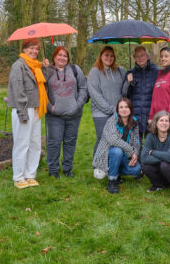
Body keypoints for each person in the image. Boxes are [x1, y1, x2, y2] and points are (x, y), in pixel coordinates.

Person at [7, 38, 49, 188]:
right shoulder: (18, 66)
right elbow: (18, 91)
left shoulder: (36, 66)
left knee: (35, 144)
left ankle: (30, 175)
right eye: (31, 48)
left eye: (36, 49)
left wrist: (45, 68)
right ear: (24, 49)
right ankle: (19, 177)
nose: (34, 51)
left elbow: (42, 84)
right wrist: (23, 113)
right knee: (22, 144)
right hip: (23, 110)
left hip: (36, 110)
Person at [45, 46, 87, 178]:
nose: (62, 58)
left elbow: (83, 88)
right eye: (59, 55)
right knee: (54, 142)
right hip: (54, 116)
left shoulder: (75, 69)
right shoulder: (47, 71)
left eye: (65, 56)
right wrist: (50, 107)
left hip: (74, 114)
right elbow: (41, 92)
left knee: (70, 141)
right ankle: (53, 169)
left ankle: (68, 168)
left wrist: (77, 105)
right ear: (54, 57)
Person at [87, 46, 126, 178]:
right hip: (101, 113)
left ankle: (112, 165)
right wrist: (110, 110)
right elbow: (95, 94)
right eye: (106, 55)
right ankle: (98, 165)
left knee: (116, 139)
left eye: (111, 55)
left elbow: (124, 91)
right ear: (101, 56)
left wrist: (129, 82)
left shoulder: (120, 71)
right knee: (103, 139)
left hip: (118, 113)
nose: (109, 58)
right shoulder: (95, 72)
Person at [92, 97, 142, 193]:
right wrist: (131, 152)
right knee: (117, 151)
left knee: (137, 169)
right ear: (117, 110)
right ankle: (112, 180)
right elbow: (113, 140)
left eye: (126, 107)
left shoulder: (134, 122)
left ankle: (116, 171)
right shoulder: (111, 121)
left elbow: (136, 141)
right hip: (108, 154)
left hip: (125, 155)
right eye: (121, 107)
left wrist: (135, 154)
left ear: (131, 109)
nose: (124, 110)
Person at [123, 46, 159, 141]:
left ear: (147, 56)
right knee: (135, 148)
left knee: (150, 148)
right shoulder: (130, 73)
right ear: (134, 58)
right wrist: (128, 83)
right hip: (135, 117)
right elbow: (123, 94)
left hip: (151, 116)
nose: (140, 58)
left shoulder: (156, 71)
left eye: (142, 55)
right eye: (137, 56)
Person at [148, 47, 170, 133]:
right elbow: (155, 98)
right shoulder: (160, 74)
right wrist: (151, 117)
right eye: (161, 56)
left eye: (166, 56)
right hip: (159, 118)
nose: (163, 58)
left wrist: (168, 117)